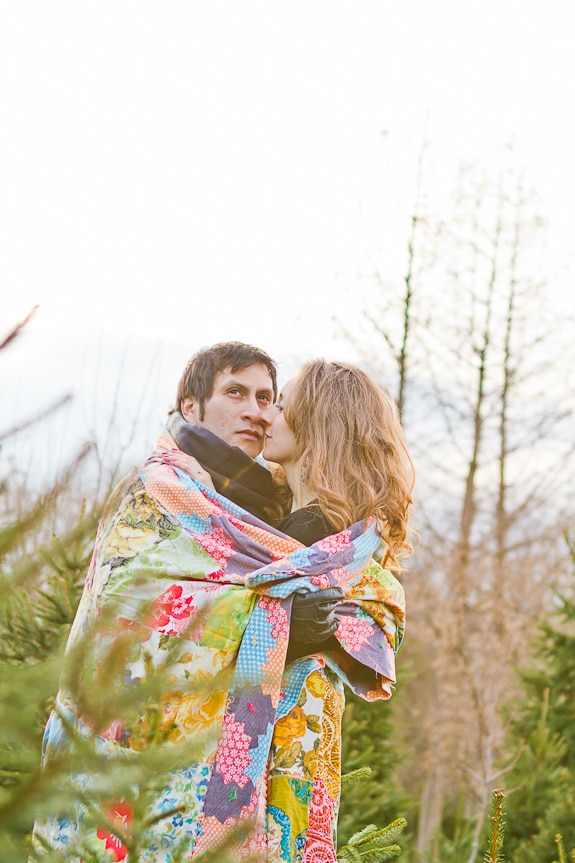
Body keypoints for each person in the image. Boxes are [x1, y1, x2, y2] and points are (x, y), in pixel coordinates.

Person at [31, 346, 413, 863]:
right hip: (149, 774)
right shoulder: (161, 495)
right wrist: (274, 622)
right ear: (190, 408)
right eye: (237, 393)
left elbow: (373, 610)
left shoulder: (280, 515)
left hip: (282, 773)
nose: (260, 411)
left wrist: (300, 627)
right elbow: (124, 609)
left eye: (270, 398)